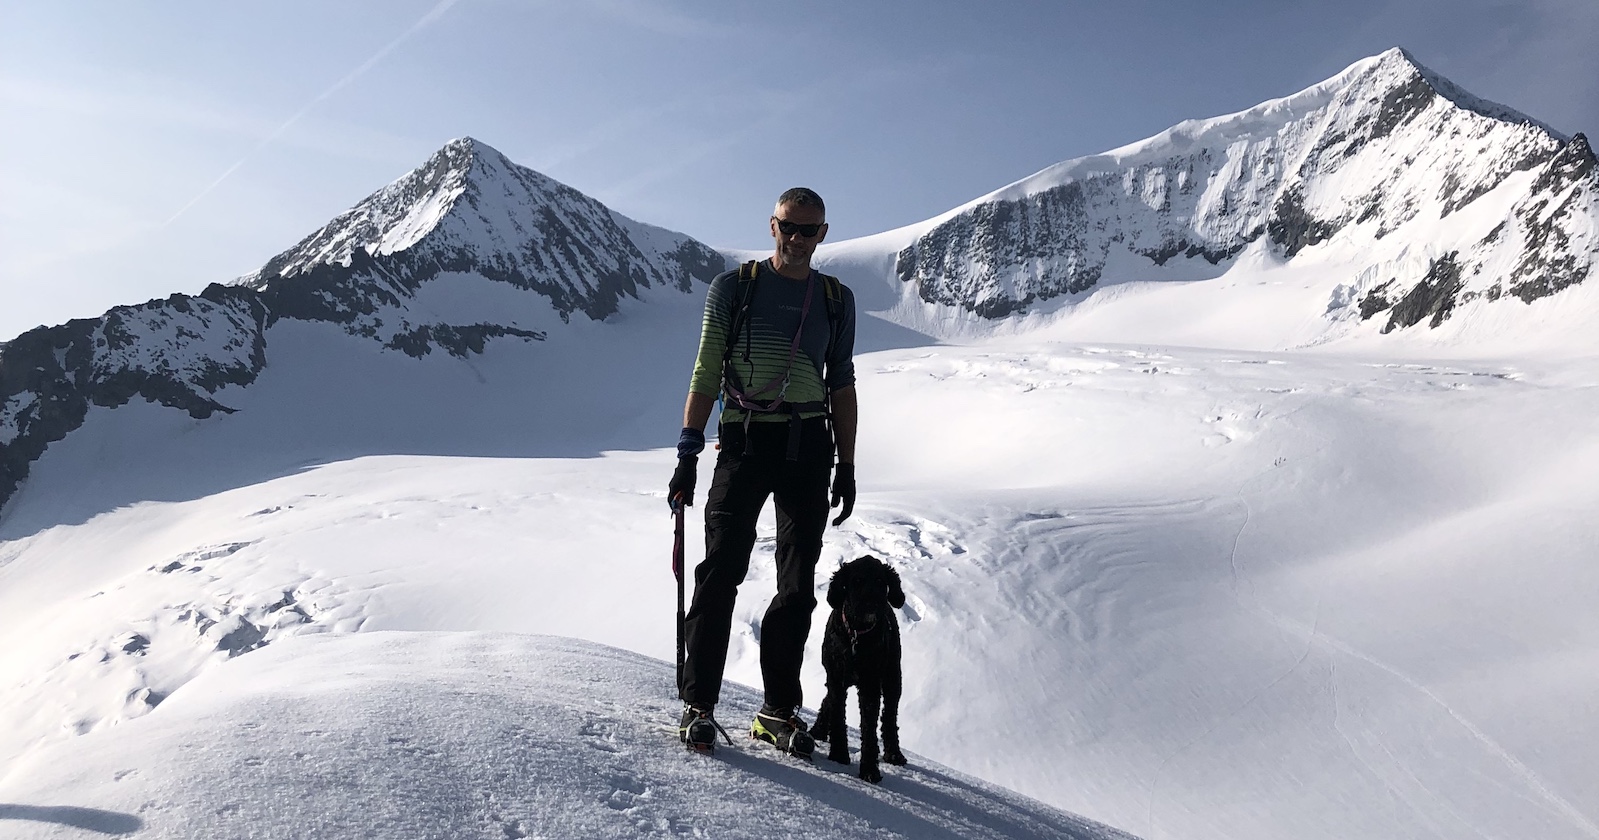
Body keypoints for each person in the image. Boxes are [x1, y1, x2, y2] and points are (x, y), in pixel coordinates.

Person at [668, 187, 858, 757]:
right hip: (746, 444)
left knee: (797, 588)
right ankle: (699, 707)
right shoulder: (734, 288)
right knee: (720, 570)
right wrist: (688, 451)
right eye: (789, 227)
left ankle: (777, 712)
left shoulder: (835, 299)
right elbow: (706, 367)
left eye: (810, 231)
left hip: (808, 445)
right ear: (771, 226)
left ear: (823, 234)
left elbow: (842, 382)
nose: (798, 240)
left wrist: (846, 465)